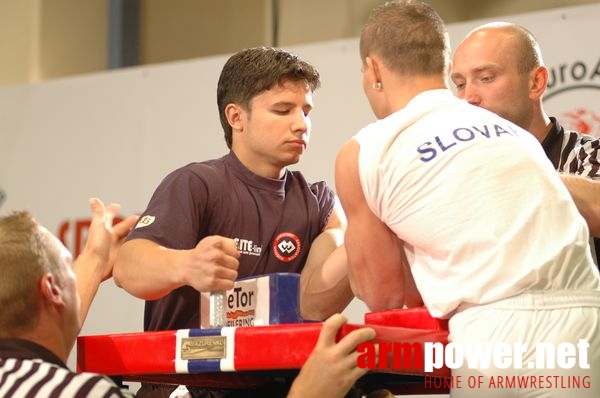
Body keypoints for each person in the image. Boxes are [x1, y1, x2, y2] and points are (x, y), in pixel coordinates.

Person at [334, 1, 600, 397]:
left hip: (487, 328)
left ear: (373, 70)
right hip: (578, 315)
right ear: (442, 65)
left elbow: (384, 295)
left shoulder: (365, 150)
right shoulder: (510, 128)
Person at [113, 47, 354, 397]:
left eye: (306, 111)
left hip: (270, 385)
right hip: (184, 385)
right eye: (283, 110)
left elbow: (313, 304)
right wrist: (186, 265)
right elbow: (127, 267)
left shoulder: (319, 203)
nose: (301, 124)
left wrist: (370, 218)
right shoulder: (196, 183)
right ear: (236, 117)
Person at [450, 22, 600, 265]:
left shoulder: (587, 155)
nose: (468, 97)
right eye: (460, 84)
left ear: (536, 83)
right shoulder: (456, 171)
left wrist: (506, 171)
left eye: (486, 78)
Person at [0, 198, 139, 397]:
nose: (75, 275)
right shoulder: (89, 393)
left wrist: (95, 258)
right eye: (68, 265)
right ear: (53, 290)